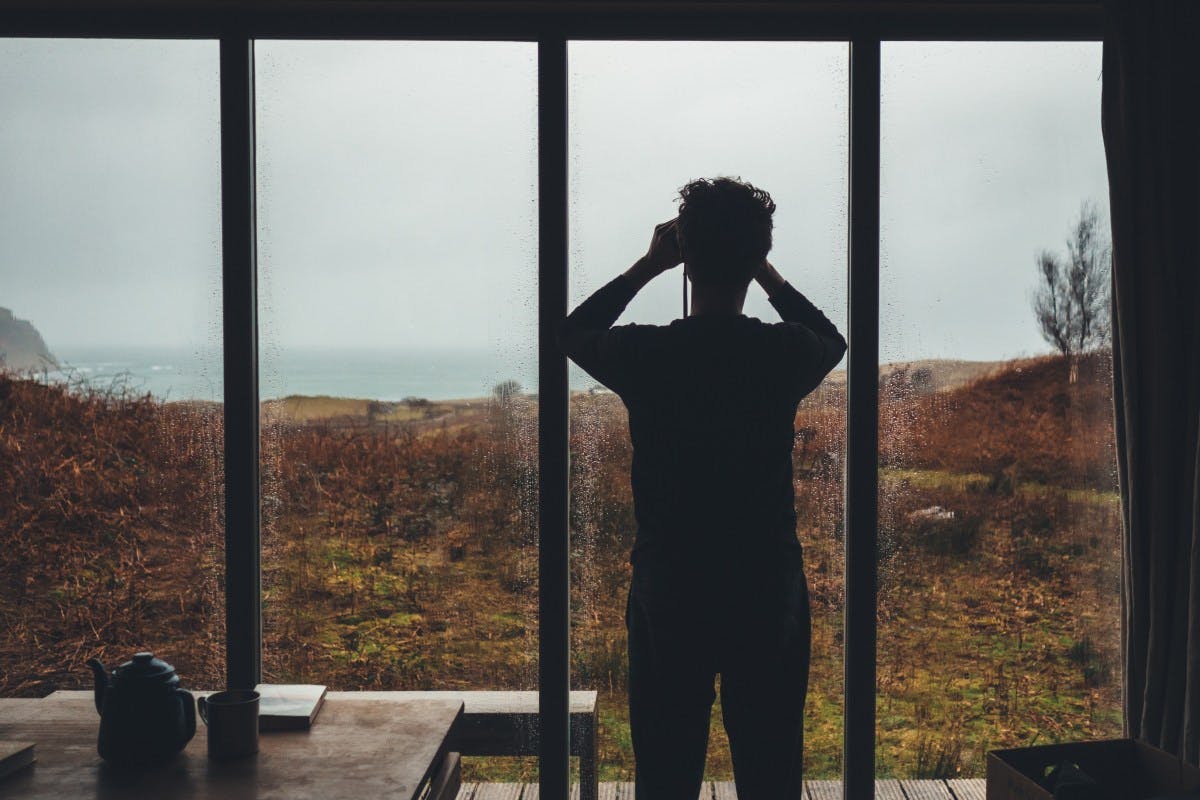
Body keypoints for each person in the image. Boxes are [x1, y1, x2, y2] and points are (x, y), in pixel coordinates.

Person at [556, 177, 847, 800]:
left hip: (672, 591)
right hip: (765, 591)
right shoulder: (779, 353)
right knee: (770, 774)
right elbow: (833, 339)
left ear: (685, 257)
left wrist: (648, 265)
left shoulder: (650, 353)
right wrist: (764, 273)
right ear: (754, 255)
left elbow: (574, 333)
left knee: (665, 773)